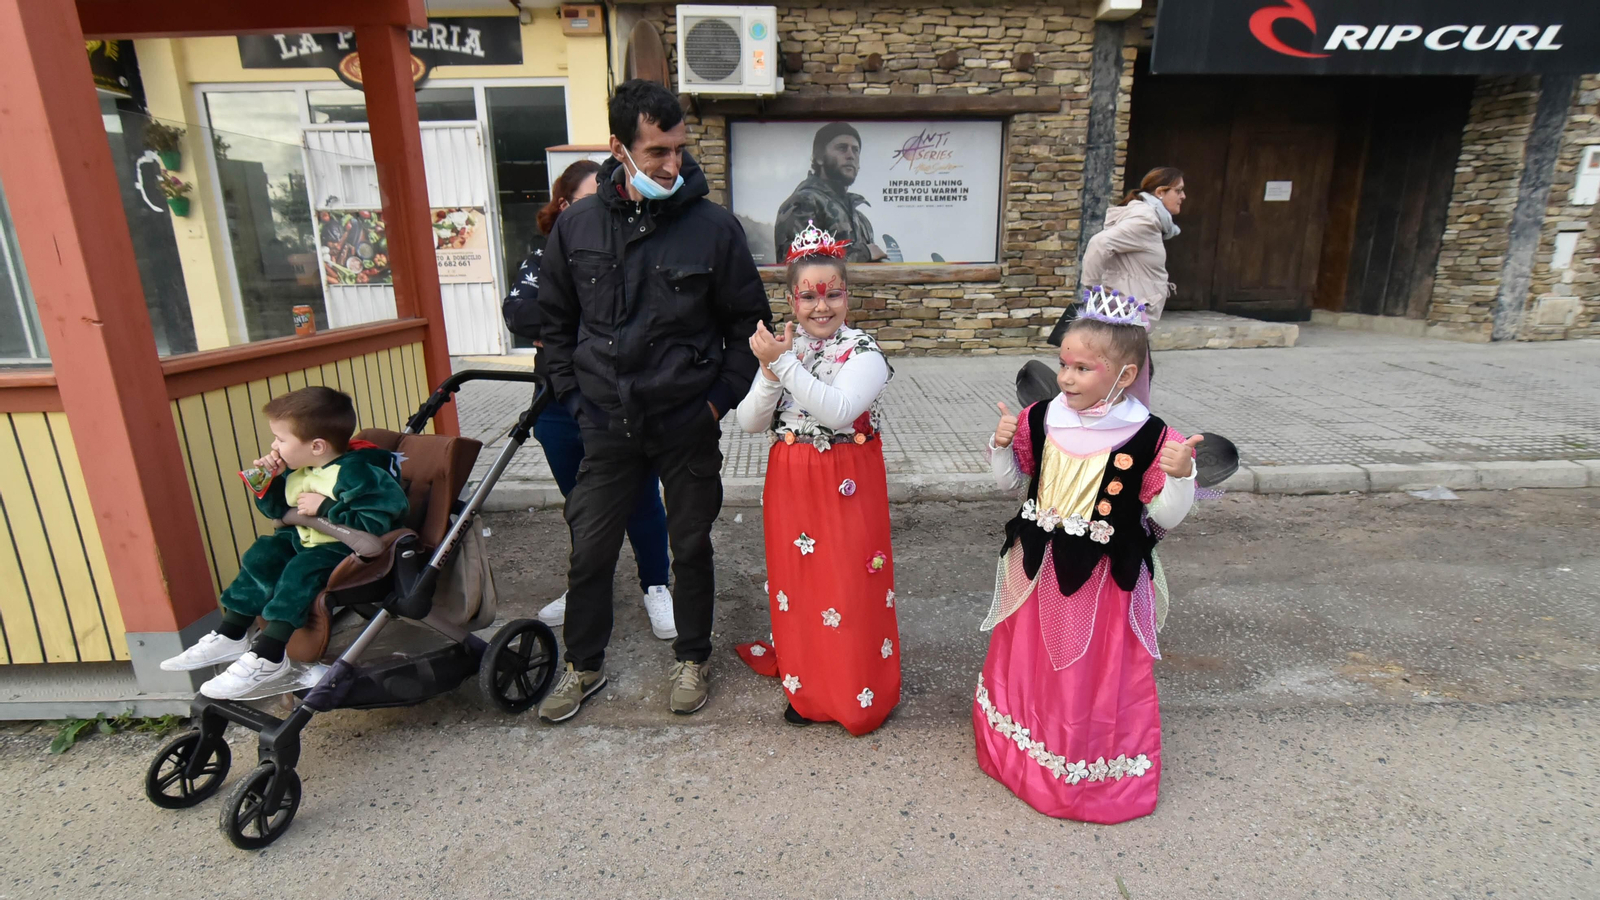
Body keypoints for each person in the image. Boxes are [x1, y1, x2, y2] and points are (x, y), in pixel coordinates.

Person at [536, 79, 772, 722]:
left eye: (679, 148)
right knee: (589, 549)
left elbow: (749, 329)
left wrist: (716, 404)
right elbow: (553, 323)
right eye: (657, 151)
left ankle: (691, 657)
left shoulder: (713, 228)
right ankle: (583, 666)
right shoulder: (578, 226)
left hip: (686, 419)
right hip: (606, 423)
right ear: (619, 148)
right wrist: (574, 400)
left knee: (689, 544)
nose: (674, 163)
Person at [975, 286, 1202, 824]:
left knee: (1084, 676)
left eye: (1082, 368)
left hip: (1101, 584)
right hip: (1035, 570)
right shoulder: (1041, 417)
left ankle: (1079, 774)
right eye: (1063, 364)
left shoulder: (1150, 436)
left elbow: (1165, 517)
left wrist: (1182, 477)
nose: (1067, 378)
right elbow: (1009, 483)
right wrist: (1001, 444)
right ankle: (1017, 757)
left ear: (1124, 374)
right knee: (1028, 665)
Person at [733, 222, 900, 734]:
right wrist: (768, 373)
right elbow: (749, 422)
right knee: (799, 584)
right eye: (808, 295)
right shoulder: (784, 348)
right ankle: (806, 685)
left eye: (832, 293)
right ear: (791, 298)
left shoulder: (864, 351)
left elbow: (838, 411)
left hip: (847, 481)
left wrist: (781, 364)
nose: (820, 306)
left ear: (847, 295)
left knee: (848, 581)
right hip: (791, 479)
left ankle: (853, 688)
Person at [502, 158, 676, 641]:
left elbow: (634, 318)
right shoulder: (541, 256)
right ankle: (585, 587)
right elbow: (519, 313)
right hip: (558, 406)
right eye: (590, 197)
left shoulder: (627, 249)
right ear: (564, 206)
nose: (607, 202)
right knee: (579, 503)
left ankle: (656, 584)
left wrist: (570, 328)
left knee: (640, 498)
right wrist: (585, 326)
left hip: (619, 404)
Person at [160, 386, 407, 700]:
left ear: (316, 446)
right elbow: (275, 510)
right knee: (263, 553)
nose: (274, 445)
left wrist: (327, 508)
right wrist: (269, 478)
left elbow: (380, 518)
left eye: (280, 439)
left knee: (299, 571)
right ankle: (232, 632)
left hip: (347, 549)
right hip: (306, 539)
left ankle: (269, 654)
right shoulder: (299, 469)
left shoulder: (357, 473)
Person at [1080, 167, 1185, 323]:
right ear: (1160, 192)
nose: (1183, 196)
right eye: (1178, 191)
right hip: (1126, 317)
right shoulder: (1146, 219)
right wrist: (1094, 289)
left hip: (1130, 315)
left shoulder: (1150, 218)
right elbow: (1099, 243)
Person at [773, 122, 886, 263]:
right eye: (842, 148)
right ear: (819, 157)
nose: (850, 155)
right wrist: (864, 252)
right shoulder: (804, 202)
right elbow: (798, 263)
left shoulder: (861, 219)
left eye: (856, 150)